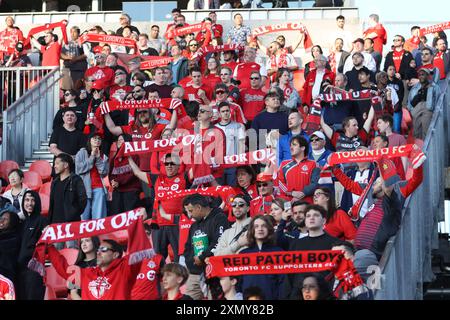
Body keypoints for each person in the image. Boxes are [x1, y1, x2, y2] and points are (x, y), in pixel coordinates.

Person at [128, 153, 189, 262]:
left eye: (172, 163)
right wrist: (127, 156)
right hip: (158, 225)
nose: (169, 166)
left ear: (179, 165)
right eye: (167, 163)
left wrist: (200, 150)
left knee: (180, 256)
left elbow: (198, 171)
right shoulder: (157, 178)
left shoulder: (184, 177)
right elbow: (137, 172)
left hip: (176, 223)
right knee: (157, 258)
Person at [282, 204, 343, 299]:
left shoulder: (335, 244)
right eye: (308, 216)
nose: (311, 218)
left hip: (326, 294)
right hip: (299, 294)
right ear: (305, 221)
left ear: (324, 220)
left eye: (316, 215)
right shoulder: (296, 244)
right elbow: (289, 274)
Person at [182, 194, 229, 300]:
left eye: (190, 211)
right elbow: (187, 248)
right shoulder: (194, 225)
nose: (189, 215)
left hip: (214, 272)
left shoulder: (220, 218)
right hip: (195, 274)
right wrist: (192, 263)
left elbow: (219, 241)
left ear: (198, 207)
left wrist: (202, 257)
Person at [239, 215, 285, 300]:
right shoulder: (243, 254)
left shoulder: (278, 253)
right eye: (256, 226)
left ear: (269, 229)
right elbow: (239, 283)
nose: (260, 229)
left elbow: (283, 282)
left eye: (263, 226)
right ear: (252, 230)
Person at [17, 190, 47, 300]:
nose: (29, 203)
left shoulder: (42, 220)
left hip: (33, 271)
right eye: (27, 200)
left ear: (37, 202)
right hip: (19, 271)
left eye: (33, 200)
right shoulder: (20, 222)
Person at [48, 153, 87, 234]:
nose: (54, 166)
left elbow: (83, 200)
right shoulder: (54, 182)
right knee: (56, 247)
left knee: (72, 246)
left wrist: (73, 214)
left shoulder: (76, 180)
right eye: (54, 164)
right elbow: (52, 203)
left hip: (71, 224)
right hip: (56, 225)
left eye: (57, 163)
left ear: (66, 165)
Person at [75, 133, 109, 221]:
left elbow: (104, 172)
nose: (97, 140)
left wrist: (98, 158)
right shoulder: (81, 153)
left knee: (99, 219)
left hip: (99, 188)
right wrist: (92, 156)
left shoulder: (103, 156)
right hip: (84, 188)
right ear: (89, 140)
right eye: (94, 138)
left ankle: (97, 235)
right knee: (83, 218)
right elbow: (79, 169)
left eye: (99, 139)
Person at [108, 134, 141, 216]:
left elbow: (133, 174)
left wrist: (119, 181)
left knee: (130, 216)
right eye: (118, 140)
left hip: (131, 190)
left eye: (122, 140)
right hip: (118, 190)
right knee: (117, 216)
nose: (119, 142)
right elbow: (111, 174)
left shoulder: (134, 156)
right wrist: (113, 182)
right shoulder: (114, 158)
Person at [130, 223, 165, 300]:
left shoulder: (158, 259)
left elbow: (164, 282)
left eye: (147, 233)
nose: (144, 236)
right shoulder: (126, 260)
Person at [215, 102, 246, 186]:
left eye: (227, 111)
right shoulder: (214, 128)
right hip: (218, 164)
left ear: (230, 112)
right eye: (223, 111)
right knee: (219, 190)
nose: (225, 113)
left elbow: (241, 144)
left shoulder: (238, 126)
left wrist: (240, 160)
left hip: (232, 163)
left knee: (232, 189)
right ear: (219, 113)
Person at [407, 68, 441, 139]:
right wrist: (412, 110)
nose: (421, 76)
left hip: (428, 108)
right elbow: (409, 100)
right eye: (419, 75)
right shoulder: (414, 87)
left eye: (423, 74)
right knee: (416, 132)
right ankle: (418, 148)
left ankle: (426, 150)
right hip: (416, 109)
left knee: (427, 131)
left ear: (428, 76)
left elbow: (439, 100)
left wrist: (435, 112)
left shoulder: (434, 87)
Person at [0, 204, 21, 284]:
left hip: (7, 276)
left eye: (5, 219)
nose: (1, 221)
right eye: (1, 218)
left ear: (12, 222)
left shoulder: (15, 238)